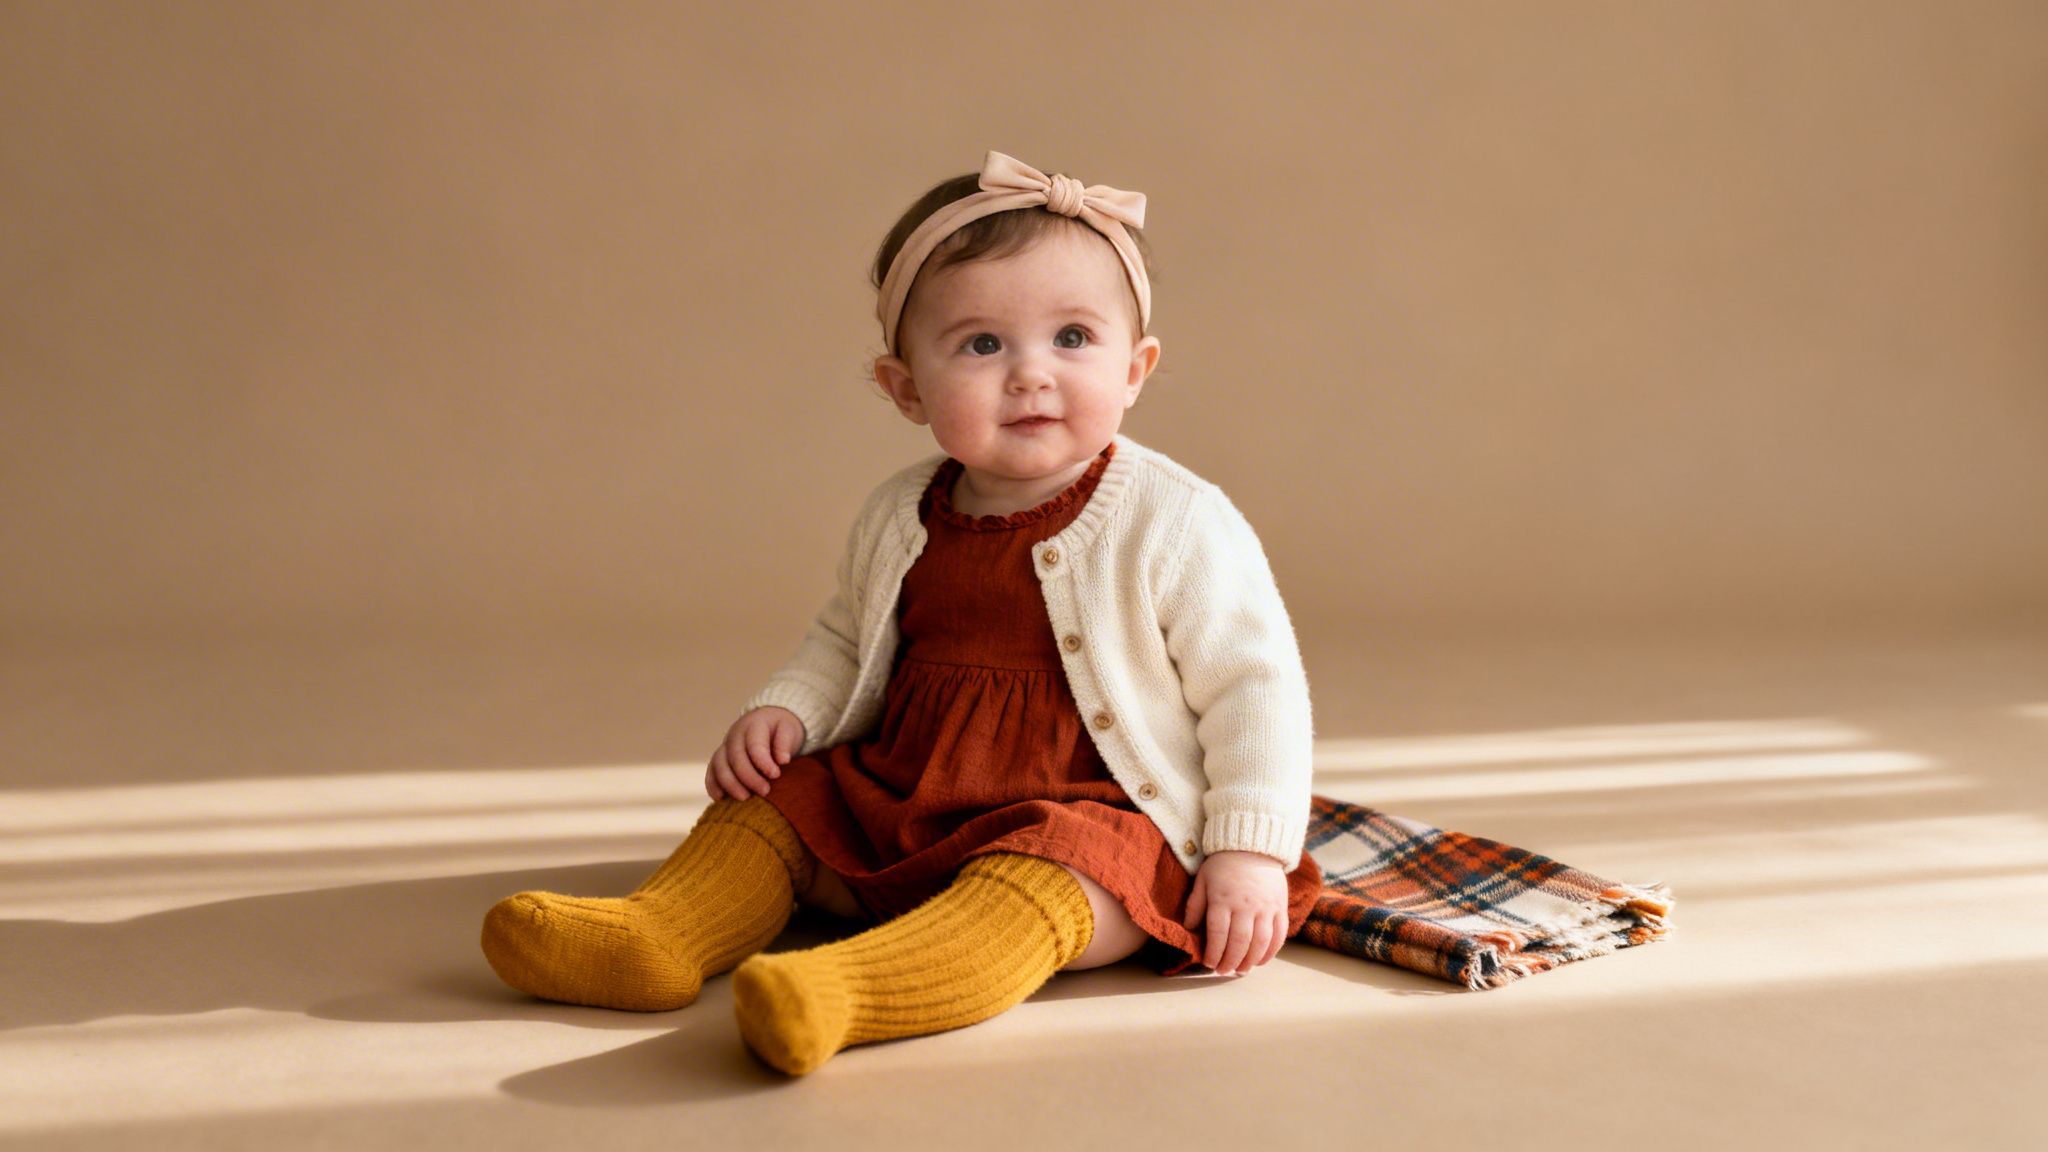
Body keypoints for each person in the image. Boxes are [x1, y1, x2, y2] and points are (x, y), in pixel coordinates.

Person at [481, 151, 1321, 1076]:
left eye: (1073, 338)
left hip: (1096, 812)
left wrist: (1248, 852)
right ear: (905, 388)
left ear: (1137, 367)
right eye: (982, 345)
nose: (1031, 375)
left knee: (1047, 873)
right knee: (781, 801)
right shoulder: (899, 511)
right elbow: (845, 638)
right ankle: (661, 934)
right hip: (909, 794)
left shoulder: (1175, 517)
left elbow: (1255, 689)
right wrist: (789, 710)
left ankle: (848, 991)